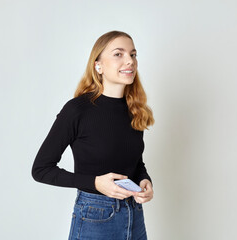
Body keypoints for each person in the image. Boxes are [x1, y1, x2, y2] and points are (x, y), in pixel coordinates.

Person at [32, 30, 155, 240]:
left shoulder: (135, 109)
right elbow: (41, 169)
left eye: (133, 55)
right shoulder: (77, 110)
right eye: (119, 54)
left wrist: (144, 181)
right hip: (95, 216)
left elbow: (135, 164)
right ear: (98, 65)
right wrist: (95, 183)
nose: (130, 61)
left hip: (134, 215)